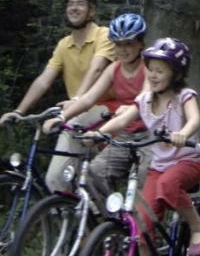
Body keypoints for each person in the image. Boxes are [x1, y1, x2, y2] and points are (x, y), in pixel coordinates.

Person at [87, 37, 200, 256]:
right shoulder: (144, 100)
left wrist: (182, 134)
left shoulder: (183, 96)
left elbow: (195, 119)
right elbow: (122, 119)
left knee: (169, 185)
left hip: (187, 162)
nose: (153, 76)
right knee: (140, 223)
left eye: (160, 70)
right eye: (151, 69)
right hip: (160, 166)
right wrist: (97, 132)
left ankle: (198, 225)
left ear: (176, 73)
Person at [0, 0, 115, 192]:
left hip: (104, 109)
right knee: (60, 181)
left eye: (80, 3)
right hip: (75, 113)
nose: (74, 8)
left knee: (68, 176)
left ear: (92, 11)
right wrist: (19, 111)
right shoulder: (64, 44)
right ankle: (70, 219)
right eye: (70, 4)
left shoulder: (103, 35)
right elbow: (44, 79)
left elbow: (97, 69)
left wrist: (77, 100)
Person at [47, 12, 151, 193]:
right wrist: (63, 117)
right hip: (125, 135)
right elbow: (88, 99)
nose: (123, 49)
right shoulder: (113, 69)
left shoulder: (149, 68)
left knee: (145, 181)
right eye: (118, 44)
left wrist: (129, 109)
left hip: (149, 136)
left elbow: (145, 99)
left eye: (129, 44)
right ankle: (110, 219)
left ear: (140, 44)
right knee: (95, 173)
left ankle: (140, 219)